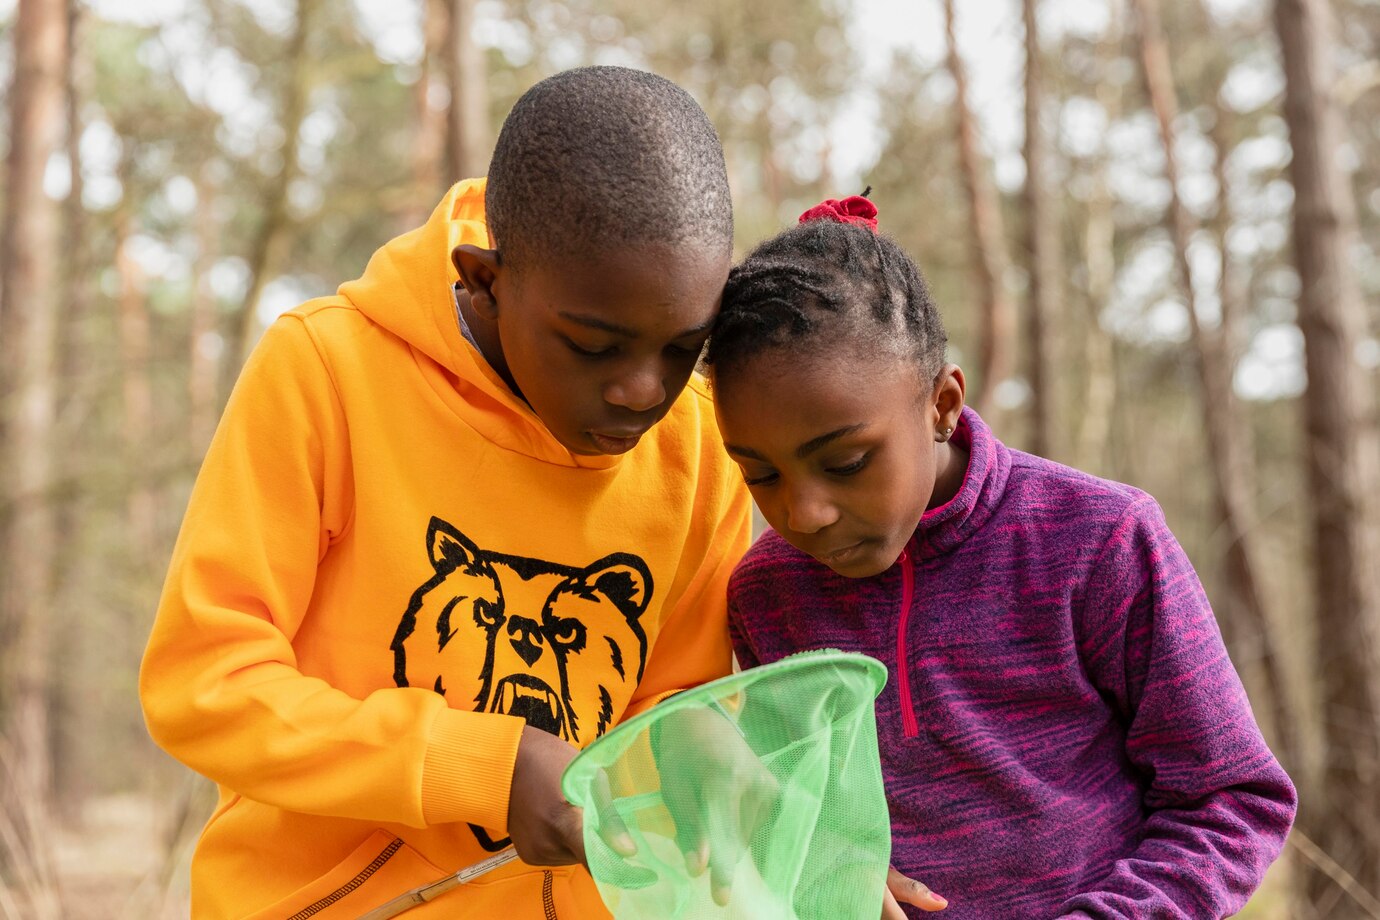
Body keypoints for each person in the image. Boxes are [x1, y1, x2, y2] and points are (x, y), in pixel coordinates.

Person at [139, 66, 753, 920]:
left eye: (683, 347)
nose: (642, 392)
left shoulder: (700, 445)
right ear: (487, 281)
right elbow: (205, 683)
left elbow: (671, 721)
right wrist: (479, 765)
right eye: (593, 346)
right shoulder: (327, 375)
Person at [705, 195, 1297, 919]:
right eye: (760, 473)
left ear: (942, 404)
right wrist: (824, 860)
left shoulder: (1098, 540)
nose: (804, 512)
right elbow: (790, 817)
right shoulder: (768, 597)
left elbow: (1232, 799)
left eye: (848, 460)